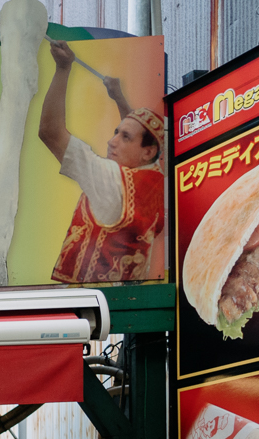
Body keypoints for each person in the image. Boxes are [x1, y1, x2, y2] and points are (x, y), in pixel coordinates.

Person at [38, 40, 165, 283]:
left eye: (123, 137)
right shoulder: (157, 176)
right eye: (116, 132)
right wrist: (118, 97)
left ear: (148, 152)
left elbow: (50, 132)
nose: (111, 141)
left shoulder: (112, 180)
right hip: (125, 300)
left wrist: (63, 68)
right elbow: (140, 135)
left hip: (87, 304)